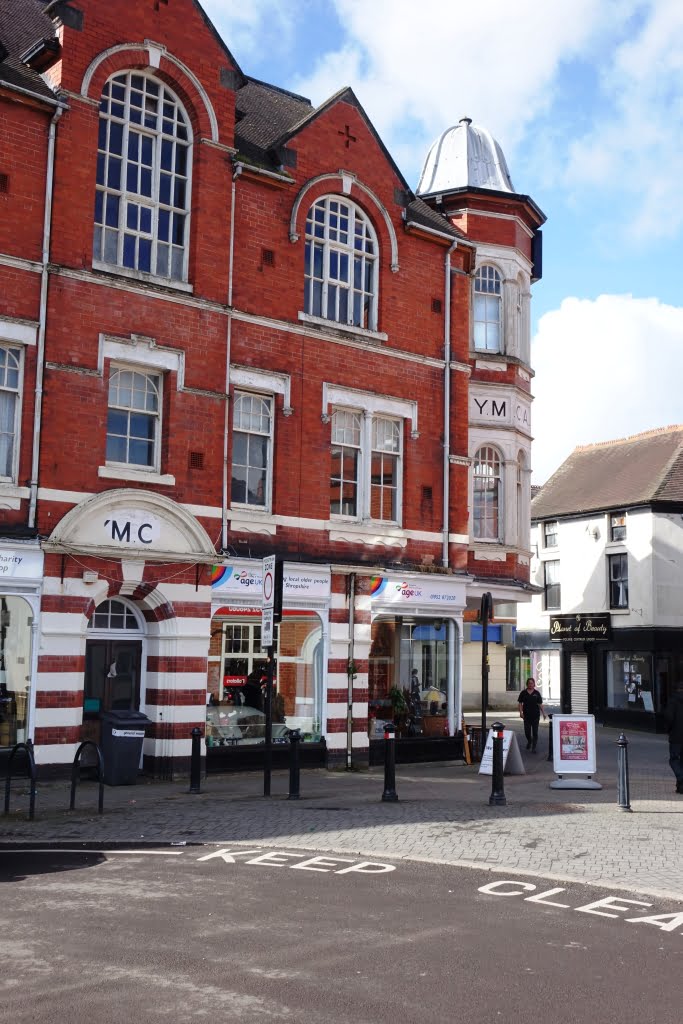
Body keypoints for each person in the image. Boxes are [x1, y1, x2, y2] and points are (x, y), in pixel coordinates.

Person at [518, 677, 546, 752]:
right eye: (529, 683)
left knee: (535, 732)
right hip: (526, 716)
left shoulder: (537, 693)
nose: (530, 684)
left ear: (534, 684)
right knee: (527, 732)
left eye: (532, 683)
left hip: (535, 716)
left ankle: (534, 747)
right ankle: (529, 741)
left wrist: (543, 713)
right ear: (527, 684)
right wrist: (521, 712)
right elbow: (520, 703)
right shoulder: (523, 693)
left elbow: (540, 704)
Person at [664, 683, 683, 794]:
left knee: (674, 759)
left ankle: (681, 778)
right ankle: (680, 787)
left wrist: (668, 729)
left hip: (676, 735)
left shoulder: (673, 700)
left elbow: (669, 717)